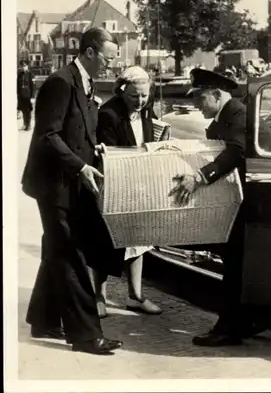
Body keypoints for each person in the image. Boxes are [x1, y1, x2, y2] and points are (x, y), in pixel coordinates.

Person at [22, 27, 123, 355]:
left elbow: (77, 132)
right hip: (54, 185)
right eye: (108, 58)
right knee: (70, 252)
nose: (112, 65)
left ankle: (43, 318)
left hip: (71, 182)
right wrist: (80, 166)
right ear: (90, 52)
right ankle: (86, 336)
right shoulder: (60, 82)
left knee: (57, 248)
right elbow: (48, 135)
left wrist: (96, 150)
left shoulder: (87, 83)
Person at [169, 67, 248, 346]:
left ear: (216, 94)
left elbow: (237, 152)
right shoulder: (223, 116)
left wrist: (200, 177)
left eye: (199, 98)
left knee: (235, 266)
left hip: (246, 205)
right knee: (234, 265)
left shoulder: (236, 113)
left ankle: (229, 328)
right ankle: (238, 322)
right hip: (232, 202)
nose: (195, 105)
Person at [92, 66, 162, 318]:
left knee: (139, 239)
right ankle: (99, 296)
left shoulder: (145, 108)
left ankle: (135, 296)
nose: (141, 101)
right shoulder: (108, 114)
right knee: (106, 240)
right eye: (135, 96)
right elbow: (112, 156)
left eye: (144, 95)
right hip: (115, 183)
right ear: (122, 91)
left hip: (139, 180)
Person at [17, 60, 34, 130]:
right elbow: (18, 85)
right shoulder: (20, 74)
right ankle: (24, 124)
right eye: (23, 66)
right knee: (24, 110)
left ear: (27, 66)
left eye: (25, 66)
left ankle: (29, 125)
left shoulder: (30, 74)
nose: (24, 67)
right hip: (21, 95)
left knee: (28, 110)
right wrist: (18, 94)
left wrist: (33, 97)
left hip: (28, 95)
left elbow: (33, 86)